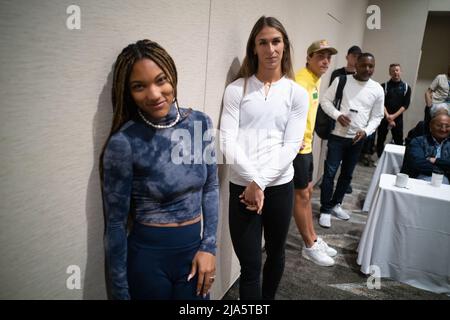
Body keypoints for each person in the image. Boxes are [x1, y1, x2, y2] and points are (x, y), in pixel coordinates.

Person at [101, 39, 219, 300]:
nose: (154, 94)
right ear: (128, 92)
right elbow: (116, 225)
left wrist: (210, 246)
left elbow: (211, 187)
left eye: (161, 80)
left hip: (196, 255)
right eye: (139, 86)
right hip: (147, 263)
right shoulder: (124, 142)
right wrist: (121, 294)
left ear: (173, 77)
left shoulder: (201, 122)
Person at [220, 16, 308, 300]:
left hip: (280, 187)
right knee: (250, 265)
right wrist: (252, 182)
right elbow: (226, 140)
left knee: (276, 253)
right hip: (241, 188)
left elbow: (291, 145)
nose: (270, 49)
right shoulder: (237, 89)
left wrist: (259, 182)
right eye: (263, 42)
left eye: (276, 41)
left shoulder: (297, 93)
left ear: (285, 46)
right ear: (254, 48)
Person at [318, 53, 384, 228]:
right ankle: (325, 209)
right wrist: (337, 115)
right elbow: (325, 101)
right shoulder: (342, 80)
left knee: (347, 174)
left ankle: (336, 204)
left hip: (357, 139)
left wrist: (366, 131)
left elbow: (377, 117)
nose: (367, 69)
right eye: (363, 65)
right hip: (337, 136)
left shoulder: (377, 89)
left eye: (371, 66)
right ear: (356, 64)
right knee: (330, 173)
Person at [293, 40, 338, 267]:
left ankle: (313, 237)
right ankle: (309, 245)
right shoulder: (301, 80)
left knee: (307, 194)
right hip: (299, 150)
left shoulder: (315, 80)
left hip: (308, 147)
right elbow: (288, 111)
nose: (326, 61)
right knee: (300, 197)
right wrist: (294, 138)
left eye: (328, 57)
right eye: (320, 56)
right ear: (309, 57)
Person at [328, 45, 362, 190]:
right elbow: (330, 96)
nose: (354, 59)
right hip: (337, 118)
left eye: (357, 56)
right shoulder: (338, 74)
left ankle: (344, 184)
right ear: (347, 56)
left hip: (354, 123)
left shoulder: (360, 77)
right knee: (332, 159)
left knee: (349, 160)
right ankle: (329, 183)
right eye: (353, 55)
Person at [402, 111, 450, 184]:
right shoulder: (418, 141)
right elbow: (417, 163)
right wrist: (445, 169)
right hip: (421, 179)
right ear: (430, 126)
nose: (443, 129)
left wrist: (435, 161)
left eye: (447, 126)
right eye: (439, 125)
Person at [375, 63, 411, 159]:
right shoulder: (384, 86)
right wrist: (388, 116)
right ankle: (380, 159)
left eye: (397, 70)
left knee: (398, 141)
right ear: (389, 73)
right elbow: (381, 103)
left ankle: (397, 160)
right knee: (380, 139)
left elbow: (405, 105)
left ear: (400, 71)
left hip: (398, 119)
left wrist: (393, 117)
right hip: (384, 117)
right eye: (393, 71)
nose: (395, 72)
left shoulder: (406, 87)